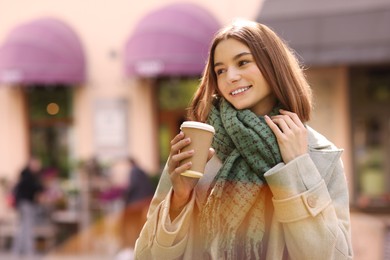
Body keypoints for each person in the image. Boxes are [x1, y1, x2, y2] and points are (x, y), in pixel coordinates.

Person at [134, 19, 353, 259]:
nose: (231, 76)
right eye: (220, 70)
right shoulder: (198, 147)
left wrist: (297, 168)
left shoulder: (318, 154)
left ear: (273, 66)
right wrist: (179, 200)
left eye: (243, 62)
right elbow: (146, 255)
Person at [12, 156, 45, 257]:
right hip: (26, 204)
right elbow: (35, 187)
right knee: (27, 227)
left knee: (24, 227)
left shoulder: (29, 175)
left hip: (25, 203)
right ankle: (29, 250)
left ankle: (17, 250)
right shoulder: (27, 176)